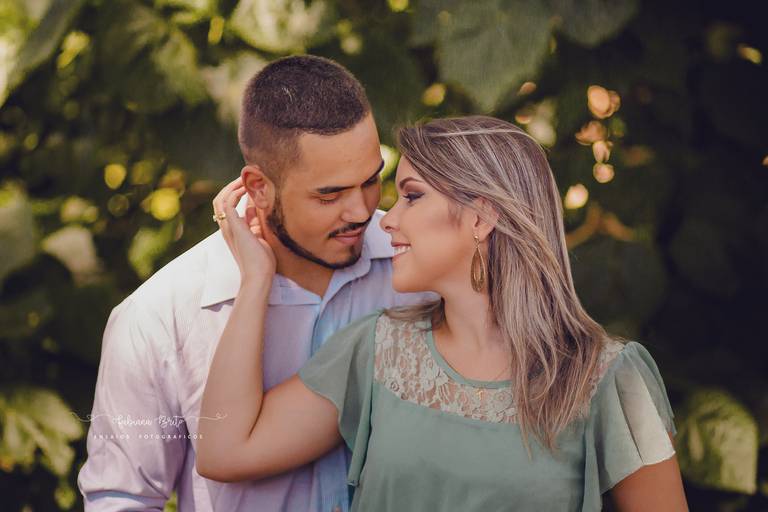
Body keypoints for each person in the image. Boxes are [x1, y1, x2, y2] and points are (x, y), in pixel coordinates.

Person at [197, 116, 689, 511]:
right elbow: (224, 450)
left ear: (482, 216)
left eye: (412, 196)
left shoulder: (607, 377)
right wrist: (256, 279)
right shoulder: (378, 349)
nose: (386, 220)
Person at [77, 55, 432, 511]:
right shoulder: (158, 317)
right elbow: (122, 498)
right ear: (258, 187)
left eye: (370, 181)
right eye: (329, 194)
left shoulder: (424, 271)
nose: (362, 211)